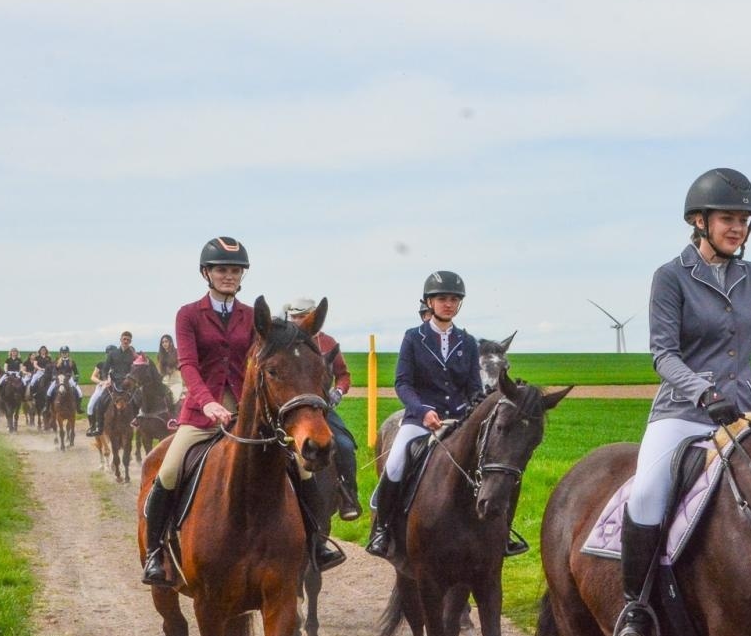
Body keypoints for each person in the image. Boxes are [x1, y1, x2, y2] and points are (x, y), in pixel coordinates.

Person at [612, 167, 751, 636]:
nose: (738, 228)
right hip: (685, 413)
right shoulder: (670, 276)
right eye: (728, 219)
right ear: (699, 221)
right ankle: (636, 609)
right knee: (647, 490)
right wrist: (704, 391)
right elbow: (663, 355)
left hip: (748, 413)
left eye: (744, 220)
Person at [141, 237, 343, 584]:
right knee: (169, 469)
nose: (229, 276)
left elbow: (278, 354)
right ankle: (157, 552)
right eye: (222, 270)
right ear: (206, 273)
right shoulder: (188, 314)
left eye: (235, 270)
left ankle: (316, 543)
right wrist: (207, 401)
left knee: (303, 469)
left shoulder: (253, 317)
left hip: (250, 410)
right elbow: (188, 364)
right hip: (202, 410)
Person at [367, 271, 522, 558]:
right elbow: (403, 382)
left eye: (453, 299)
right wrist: (423, 411)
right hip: (421, 419)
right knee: (397, 461)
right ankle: (383, 528)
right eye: (442, 299)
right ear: (430, 302)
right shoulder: (413, 338)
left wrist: (473, 414)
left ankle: (503, 532)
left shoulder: (467, 341)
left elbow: (474, 389)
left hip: (460, 421)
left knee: (499, 465)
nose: (448, 304)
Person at [284, 298, 362, 522]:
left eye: (302, 316)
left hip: (322, 407)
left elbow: (343, 374)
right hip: (290, 409)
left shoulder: (327, 342)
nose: (298, 321)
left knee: (345, 446)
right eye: (294, 317)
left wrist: (338, 391)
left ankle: (348, 495)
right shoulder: (283, 342)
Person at [86, 331, 137, 437]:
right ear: (121, 339)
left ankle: (138, 424)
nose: (126, 341)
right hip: (114, 384)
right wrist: (105, 380)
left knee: (138, 400)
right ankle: (99, 428)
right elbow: (105, 369)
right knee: (100, 402)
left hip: (128, 384)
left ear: (130, 341)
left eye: (128, 339)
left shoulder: (132, 355)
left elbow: (136, 369)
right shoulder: (112, 354)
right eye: (124, 339)